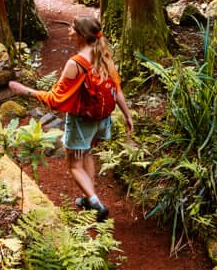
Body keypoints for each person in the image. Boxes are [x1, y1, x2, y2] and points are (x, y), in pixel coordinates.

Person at [9, 13, 133, 222]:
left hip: (81, 120)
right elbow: (116, 89)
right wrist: (127, 115)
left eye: (73, 29)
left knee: (74, 164)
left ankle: (95, 202)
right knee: (87, 154)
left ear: (82, 35)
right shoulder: (103, 55)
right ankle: (88, 198)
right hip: (102, 119)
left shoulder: (76, 63)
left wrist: (25, 91)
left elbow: (56, 100)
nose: (69, 31)